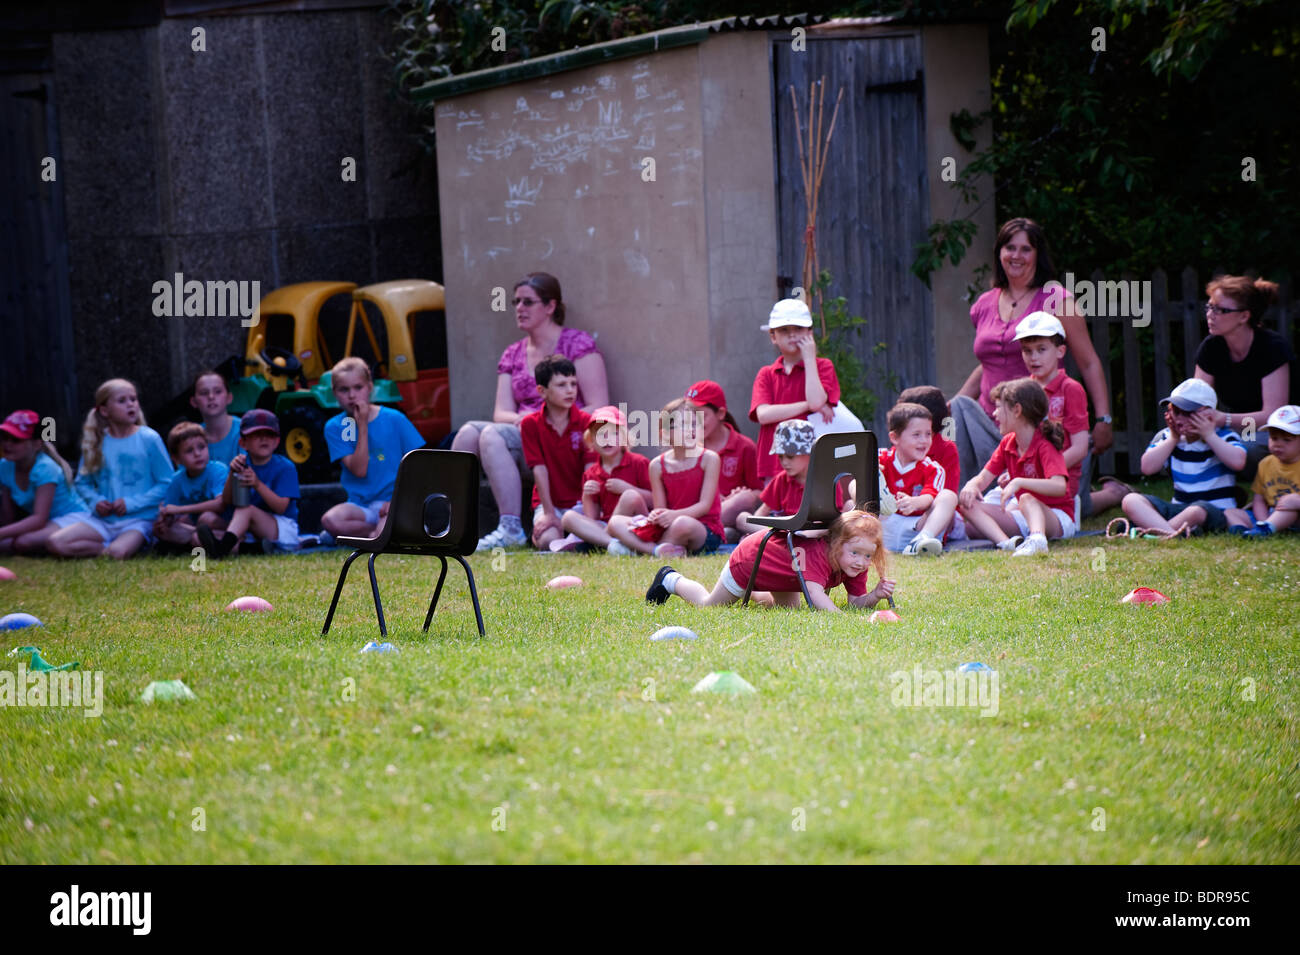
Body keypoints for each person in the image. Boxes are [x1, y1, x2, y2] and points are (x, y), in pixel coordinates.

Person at [949, 218, 1114, 511]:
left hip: (1036, 428)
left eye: (1026, 249)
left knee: (1067, 503)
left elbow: (1088, 362)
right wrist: (955, 401)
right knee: (960, 408)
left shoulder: (1058, 300)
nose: (1017, 255)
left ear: (1038, 254)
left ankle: (1111, 494)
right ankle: (954, 502)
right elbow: (988, 363)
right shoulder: (984, 304)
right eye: (1009, 247)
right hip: (993, 423)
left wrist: (1104, 420)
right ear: (999, 252)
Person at [454, 273, 609, 550]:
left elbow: (599, 404)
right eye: (515, 302)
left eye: (528, 302)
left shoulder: (578, 344)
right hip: (525, 433)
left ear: (550, 307)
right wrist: (525, 419)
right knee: (467, 434)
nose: (519, 308)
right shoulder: (512, 353)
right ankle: (452, 523)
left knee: (490, 435)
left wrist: (549, 417)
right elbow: (501, 412)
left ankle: (511, 527)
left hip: (565, 436)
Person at [645, 510, 895, 613]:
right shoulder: (819, 554)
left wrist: (874, 595)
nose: (862, 562)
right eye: (855, 553)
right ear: (837, 544)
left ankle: (755, 592)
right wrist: (838, 616)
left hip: (785, 572)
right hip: (753, 560)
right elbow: (815, 595)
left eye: (868, 555)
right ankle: (670, 579)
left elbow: (856, 603)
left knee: (787, 610)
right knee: (710, 604)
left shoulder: (856, 563)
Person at [47, 379, 174, 559]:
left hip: (139, 519)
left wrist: (131, 504)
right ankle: (106, 548)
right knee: (55, 542)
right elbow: (82, 483)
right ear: (105, 410)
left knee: (117, 553)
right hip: (103, 521)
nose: (130, 404)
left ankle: (122, 546)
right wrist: (96, 502)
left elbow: (167, 482)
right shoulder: (96, 442)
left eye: (133, 399)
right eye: (122, 400)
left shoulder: (149, 438)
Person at [958, 378, 1075, 556]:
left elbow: (1059, 487)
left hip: (1055, 517)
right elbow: (984, 477)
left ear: (1017, 410)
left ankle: (1037, 540)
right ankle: (1007, 543)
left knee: (1026, 498)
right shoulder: (1008, 443)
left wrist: (1020, 482)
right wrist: (972, 485)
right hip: (1021, 512)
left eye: (998, 407)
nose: (995, 414)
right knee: (968, 510)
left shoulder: (1044, 445)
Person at [1193, 275, 1293, 482]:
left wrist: (1224, 419)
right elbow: (1197, 398)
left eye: (1221, 310)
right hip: (1239, 425)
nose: (1211, 315)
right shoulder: (1211, 347)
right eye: (1209, 307)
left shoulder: (1272, 348)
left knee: (1247, 447)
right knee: (1172, 441)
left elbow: (1273, 416)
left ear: (1244, 316)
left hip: (1279, 429)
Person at [1118, 379, 1245, 538]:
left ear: (1208, 413)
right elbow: (1147, 467)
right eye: (1175, 412)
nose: (1179, 419)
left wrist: (1209, 435)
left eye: (1187, 413)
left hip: (1214, 511)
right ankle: (1172, 533)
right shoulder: (1168, 437)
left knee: (1196, 510)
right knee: (1130, 500)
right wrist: (1173, 439)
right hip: (1179, 509)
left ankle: (1155, 531)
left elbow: (1239, 462)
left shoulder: (1223, 435)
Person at [320, 357, 426, 540]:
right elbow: (359, 470)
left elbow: (420, 466)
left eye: (358, 388)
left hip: (394, 503)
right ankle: (372, 534)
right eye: (344, 390)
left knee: (384, 531)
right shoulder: (338, 426)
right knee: (330, 520)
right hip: (360, 506)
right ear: (335, 393)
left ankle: (359, 535)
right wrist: (361, 425)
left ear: (369, 387)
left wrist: (397, 500)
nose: (352, 396)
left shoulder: (394, 418)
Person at [607, 397, 723, 558]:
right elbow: (660, 507)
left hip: (702, 528)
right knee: (615, 522)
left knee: (681, 524)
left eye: (694, 424)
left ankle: (638, 549)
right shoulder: (657, 465)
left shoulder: (709, 459)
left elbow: (704, 506)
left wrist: (673, 516)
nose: (690, 430)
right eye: (683, 425)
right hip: (669, 525)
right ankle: (655, 551)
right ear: (666, 434)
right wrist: (657, 515)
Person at [750, 298, 840, 483]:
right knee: (777, 509)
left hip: (812, 460)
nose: (792, 335)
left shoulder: (823, 366)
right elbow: (764, 415)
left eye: (798, 329)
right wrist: (807, 406)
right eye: (784, 330)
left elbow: (817, 401)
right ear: (773, 336)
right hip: (774, 460)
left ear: (809, 333)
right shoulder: (766, 374)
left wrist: (809, 359)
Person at [1013, 312, 1090, 522]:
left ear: (1060, 351)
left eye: (1041, 349)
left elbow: (1080, 448)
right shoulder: (1021, 390)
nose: (1033, 357)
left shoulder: (1071, 389)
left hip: (1059, 485)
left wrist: (1043, 471)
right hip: (1027, 479)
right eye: (1027, 351)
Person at [198, 409, 300, 556]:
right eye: (257, 435)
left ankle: (221, 550)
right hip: (250, 528)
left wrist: (257, 484)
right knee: (205, 520)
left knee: (246, 509)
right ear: (243, 443)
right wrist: (232, 473)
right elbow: (226, 501)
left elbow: (281, 508)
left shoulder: (285, 467)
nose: (263, 439)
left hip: (282, 529)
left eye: (269, 435)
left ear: (277, 441)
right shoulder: (242, 463)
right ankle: (255, 549)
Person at [518, 355, 594, 551]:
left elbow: (590, 470)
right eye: (561, 385)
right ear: (542, 391)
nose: (570, 390)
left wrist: (587, 510)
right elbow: (539, 470)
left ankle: (577, 539)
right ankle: (553, 537)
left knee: (586, 536)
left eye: (573, 384)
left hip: (582, 503)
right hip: (549, 503)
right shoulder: (530, 424)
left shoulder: (587, 421)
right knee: (547, 541)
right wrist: (550, 514)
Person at [553, 405, 651, 552]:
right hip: (605, 526)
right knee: (568, 517)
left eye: (613, 434)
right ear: (591, 441)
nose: (607, 440)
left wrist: (627, 488)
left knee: (630, 496)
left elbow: (654, 500)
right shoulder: (591, 473)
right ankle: (613, 545)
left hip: (635, 524)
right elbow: (591, 518)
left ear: (624, 437)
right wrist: (587, 496)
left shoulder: (639, 462)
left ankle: (603, 542)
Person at [733, 419, 844, 535]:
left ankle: (793, 538)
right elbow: (761, 513)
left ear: (810, 453)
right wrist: (754, 530)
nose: (784, 462)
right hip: (783, 532)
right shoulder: (781, 480)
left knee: (844, 515)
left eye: (790, 456)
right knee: (742, 519)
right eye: (780, 457)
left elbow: (833, 520)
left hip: (814, 532)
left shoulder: (826, 480)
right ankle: (782, 538)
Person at [0, 410, 87, 554]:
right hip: (47, 523)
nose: (7, 444)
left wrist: (2, 533)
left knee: (24, 542)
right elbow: (8, 517)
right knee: (7, 544)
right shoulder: (4, 466)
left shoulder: (45, 468)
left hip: (72, 519)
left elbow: (39, 518)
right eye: (4, 438)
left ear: (36, 444)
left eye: (16, 440)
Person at [879, 402, 958, 556]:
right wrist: (870, 472)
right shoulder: (880, 458)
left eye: (928, 434)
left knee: (949, 496)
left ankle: (921, 542)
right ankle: (856, 540)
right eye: (916, 435)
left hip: (915, 527)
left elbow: (930, 495)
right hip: (883, 526)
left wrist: (915, 502)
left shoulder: (933, 468)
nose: (924, 440)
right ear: (894, 438)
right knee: (856, 485)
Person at [685, 380, 760, 542]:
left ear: (720, 413)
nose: (693, 424)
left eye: (701, 416)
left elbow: (760, 492)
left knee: (744, 499)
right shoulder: (686, 446)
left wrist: (739, 495)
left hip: (725, 512)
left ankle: (705, 532)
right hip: (694, 512)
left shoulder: (744, 446)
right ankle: (713, 532)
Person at [153, 421, 229, 552]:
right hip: (194, 524)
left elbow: (220, 504)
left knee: (206, 519)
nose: (197, 454)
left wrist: (179, 510)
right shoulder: (176, 480)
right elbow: (171, 508)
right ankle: (200, 539)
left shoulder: (218, 470)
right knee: (162, 529)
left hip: (221, 522)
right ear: (176, 458)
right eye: (189, 451)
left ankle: (198, 539)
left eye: (202, 447)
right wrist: (166, 518)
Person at [1226, 404, 1300, 537]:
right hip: (1271, 513)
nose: (1278, 444)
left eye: (1287, 440)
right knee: (1230, 512)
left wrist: (1297, 502)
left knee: (1290, 509)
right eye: (1274, 438)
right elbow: (1259, 499)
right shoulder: (1266, 463)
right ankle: (1246, 530)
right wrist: (1263, 520)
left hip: (1295, 515)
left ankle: (1266, 529)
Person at [190, 369, 242, 467]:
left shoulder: (245, 431)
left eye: (218, 391)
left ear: (229, 398)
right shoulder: (190, 437)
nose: (211, 397)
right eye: (204, 393)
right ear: (194, 402)